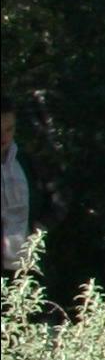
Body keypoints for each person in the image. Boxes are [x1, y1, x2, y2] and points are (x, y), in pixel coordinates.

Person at [1, 100, 30, 279]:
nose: (3, 137)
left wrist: (39, 228)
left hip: (25, 267)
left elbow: (57, 198)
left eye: (9, 129)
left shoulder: (26, 162)